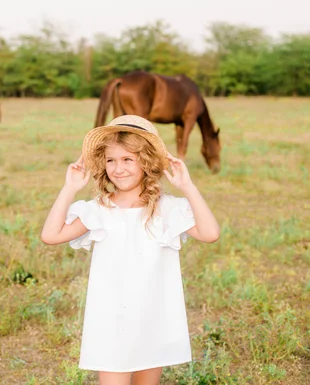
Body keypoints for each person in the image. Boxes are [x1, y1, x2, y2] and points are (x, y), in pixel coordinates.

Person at [40, 115, 220, 385]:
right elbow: (51, 235)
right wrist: (69, 188)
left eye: (127, 159)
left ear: (146, 162)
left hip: (153, 316)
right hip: (112, 319)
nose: (118, 168)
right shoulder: (99, 209)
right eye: (111, 160)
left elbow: (210, 234)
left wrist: (188, 187)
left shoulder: (166, 208)